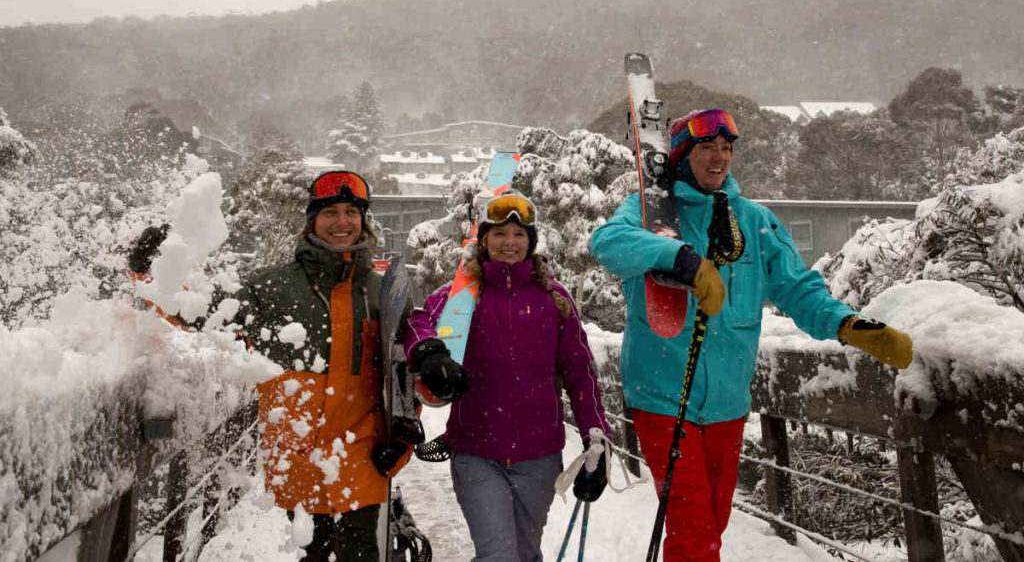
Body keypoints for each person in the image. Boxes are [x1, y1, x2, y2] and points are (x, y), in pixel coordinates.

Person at [591, 108, 913, 562]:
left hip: (728, 398)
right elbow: (606, 242)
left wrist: (847, 325)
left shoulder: (755, 222)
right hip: (663, 395)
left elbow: (798, 290)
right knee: (692, 523)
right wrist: (680, 258)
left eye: (726, 148)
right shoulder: (651, 212)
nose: (720, 158)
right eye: (707, 148)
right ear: (684, 156)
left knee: (713, 521)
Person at [404, 191, 612, 561]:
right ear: (484, 240)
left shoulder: (555, 299)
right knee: (498, 553)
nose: (509, 242)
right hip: (475, 452)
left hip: (539, 456)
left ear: (531, 241)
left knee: (525, 553)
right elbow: (419, 321)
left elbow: (581, 375)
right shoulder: (464, 293)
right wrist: (429, 353)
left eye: (519, 234)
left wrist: (596, 439)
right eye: (499, 233)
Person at [232, 170, 413, 562]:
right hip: (298, 456)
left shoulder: (382, 292)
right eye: (330, 212)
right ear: (312, 220)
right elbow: (208, 313)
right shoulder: (270, 288)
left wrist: (405, 431)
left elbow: (405, 372)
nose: (342, 222)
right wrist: (150, 274)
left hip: (362, 451)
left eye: (352, 211)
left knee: (358, 551)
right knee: (312, 552)